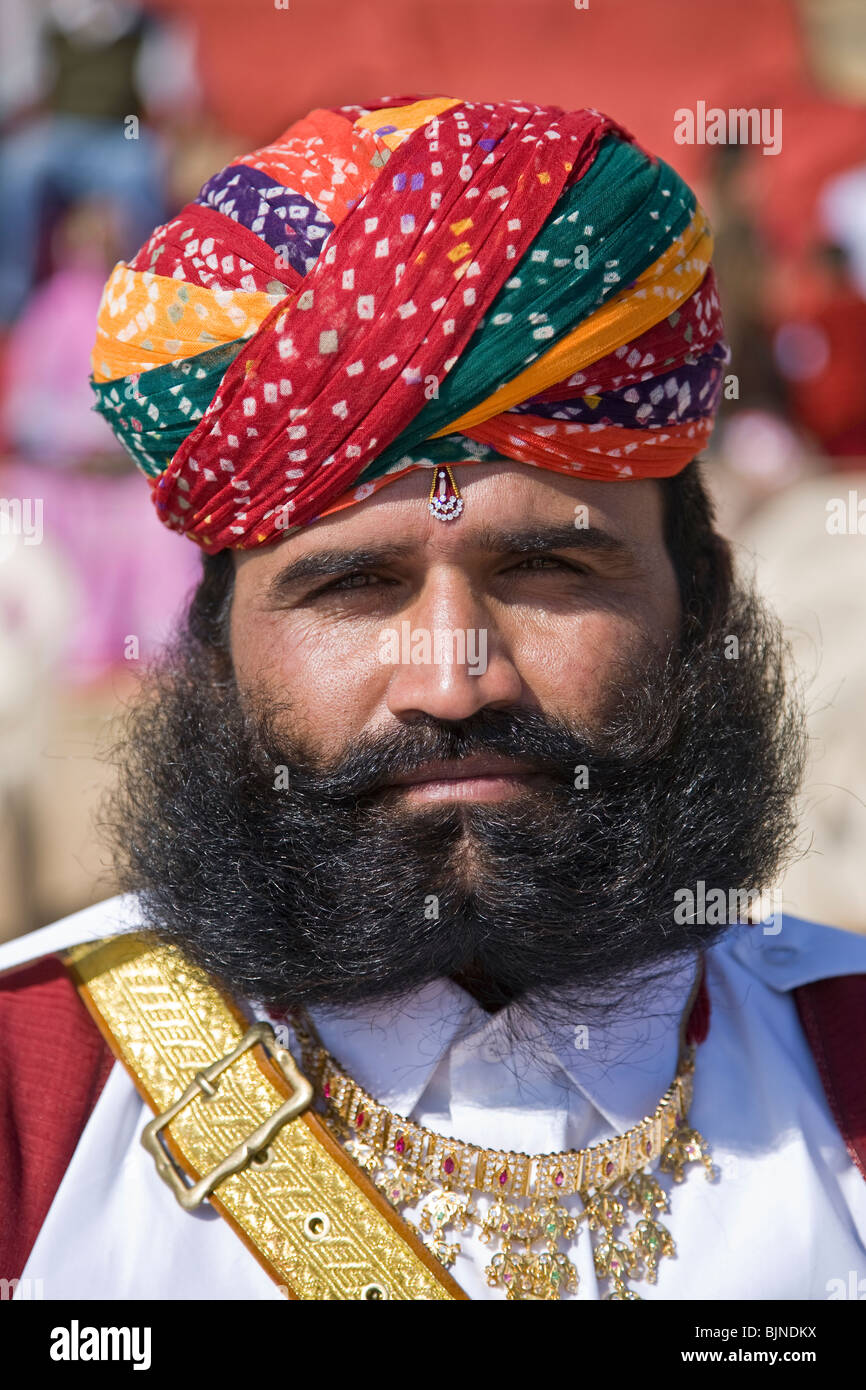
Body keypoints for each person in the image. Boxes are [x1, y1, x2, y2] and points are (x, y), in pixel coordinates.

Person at [1, 94, 864, 1303]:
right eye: (351, 585)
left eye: (549, 570)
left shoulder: (847, 1060)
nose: (454, 680)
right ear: (214, 647)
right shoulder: (30, 1106)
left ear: (701, 600)